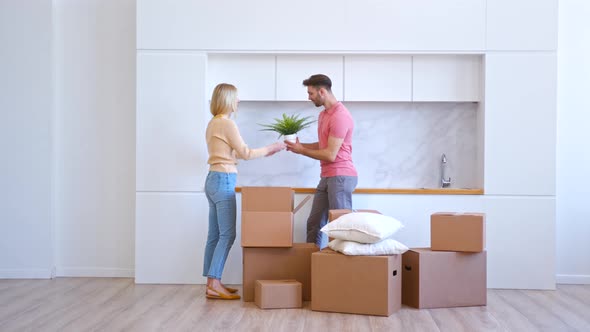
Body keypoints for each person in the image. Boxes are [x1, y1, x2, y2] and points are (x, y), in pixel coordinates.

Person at [203, 83, 285, 300]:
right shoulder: (227, 124)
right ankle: (215, 282)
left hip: (212, 179)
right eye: (236, 98)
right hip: (223, 180)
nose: (238, 101)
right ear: (228, 100)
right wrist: (272, 148)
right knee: (227, 234)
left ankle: (211, 283)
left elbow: (232, 153)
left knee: (214, 235)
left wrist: (263, 153)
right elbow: (246, 153)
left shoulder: (213, 123)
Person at [284, 74, 358, 248]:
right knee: (314, 223)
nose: (308, 97)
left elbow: (330, 154)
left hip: (341, 176)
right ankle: (312, 266)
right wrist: (299, 146)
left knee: (339, 228)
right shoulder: (324, 115)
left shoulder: (340, 116)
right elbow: (323, 145)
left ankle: (337, 271)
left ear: (322, 91)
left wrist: (302, 151)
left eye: (311, 93)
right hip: (327, 176)